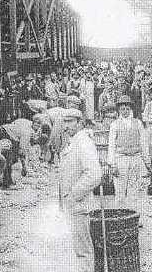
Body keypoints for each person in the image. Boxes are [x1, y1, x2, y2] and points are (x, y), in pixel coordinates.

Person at [59, 108, 102, 272]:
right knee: (78, 248)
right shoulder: (74, 141)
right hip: (73, 205)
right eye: (65, 121)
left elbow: (94, 174)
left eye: (70, 122)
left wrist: (74, 195)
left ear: (80, 123)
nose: (66, 125)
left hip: (79, 204)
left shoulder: (83, 141)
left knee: (83, 251)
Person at [107, 96, 149, 210]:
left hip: (135, 158)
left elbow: (144, 143)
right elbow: (111, 146)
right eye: (122, 109)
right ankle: (119, 216)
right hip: (121, 159)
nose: (125, 111)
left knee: (134, 190)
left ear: (131, 109)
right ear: (119, 110)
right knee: (120, 190)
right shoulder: (114, 124)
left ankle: (133, 216)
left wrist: (147, 163)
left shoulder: (138, 123)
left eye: (127, 108)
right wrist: (112, 164)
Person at [0, 115, 51, 187]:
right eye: (36, 142)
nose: (34, 144)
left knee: (11, 158)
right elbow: (21, 151)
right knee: (8, 158)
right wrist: (24, 167)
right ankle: (6, 182)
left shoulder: (33, 130)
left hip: (9, 132)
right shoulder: (27, 133)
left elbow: (24, 148)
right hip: (4, 132)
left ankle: (6, 180)